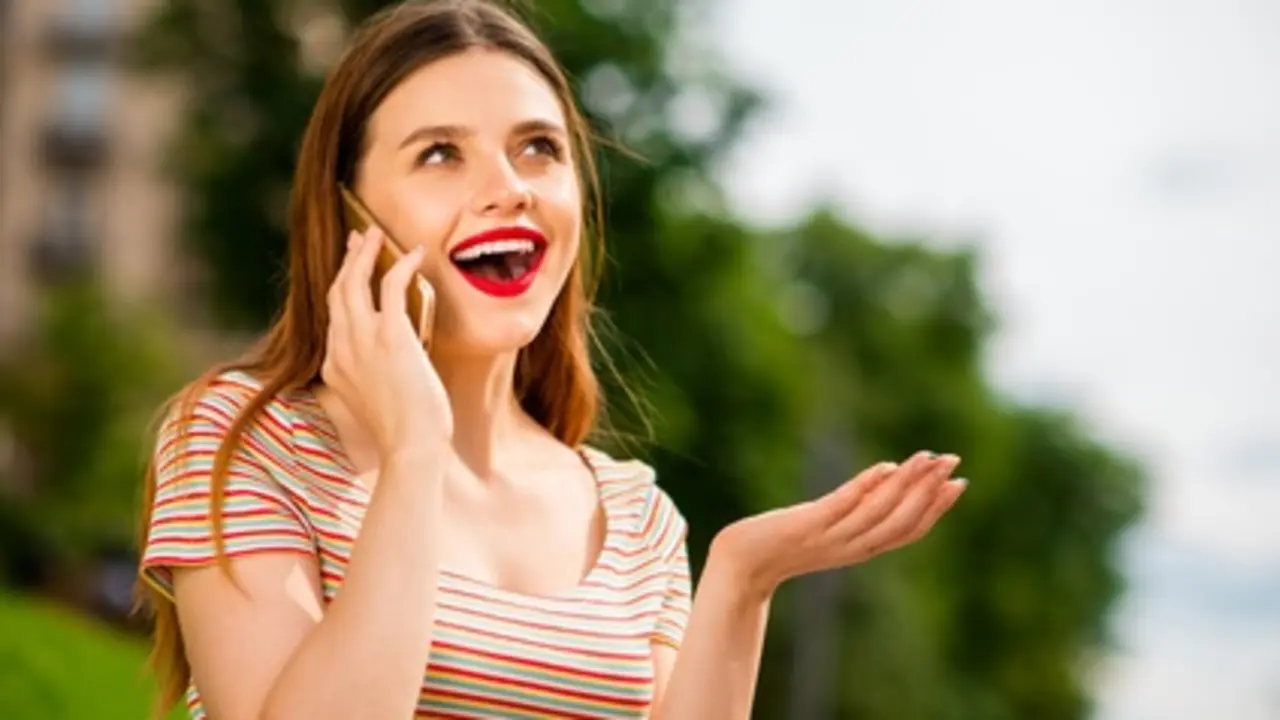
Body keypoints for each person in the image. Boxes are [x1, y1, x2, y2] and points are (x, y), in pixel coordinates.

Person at [134, 1, 967, 718]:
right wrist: (415, 451)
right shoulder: (242, 440)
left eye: (538, 148)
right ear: (351, 213)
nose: (510, 187)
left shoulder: (637, 519)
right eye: (439, 154)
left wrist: (743, 580)